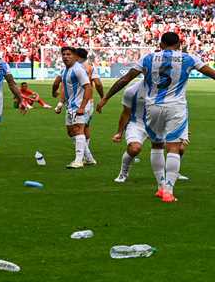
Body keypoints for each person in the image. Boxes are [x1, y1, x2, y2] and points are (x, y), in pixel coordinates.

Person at [97, 32, 215, 202]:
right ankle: (168, 190)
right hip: (176, 107)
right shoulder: (189, 58)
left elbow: (125, 79)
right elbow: (211, 73)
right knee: (174, 147)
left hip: (152, 107)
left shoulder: (148, 58)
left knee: (157, 146)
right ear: (179, 45)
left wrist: (106, 98)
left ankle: (160, 187)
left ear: (160, 45)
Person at [112, 80, 190, 183]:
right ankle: (123, 174)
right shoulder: (132, 91)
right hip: (138, 123)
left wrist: (182, 130)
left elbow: (180, 109)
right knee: (134, 148)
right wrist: (119, 132)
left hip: (160, 123)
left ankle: (174, 174)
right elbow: (126, 112)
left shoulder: (170, 88)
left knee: (179, 148)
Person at [54, 47, 92, 169]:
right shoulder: (66, 70)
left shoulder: (78, 70)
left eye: (69, 54)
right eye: (64, 54)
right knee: (71, 132)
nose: (66, 56)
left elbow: (88, 87)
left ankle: (78, 161)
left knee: (78, 130)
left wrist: (82, 107)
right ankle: (89, 158)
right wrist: (60, 104)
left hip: (79, 105)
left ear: (75, 56)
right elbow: (65, 88)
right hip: (70, 106)